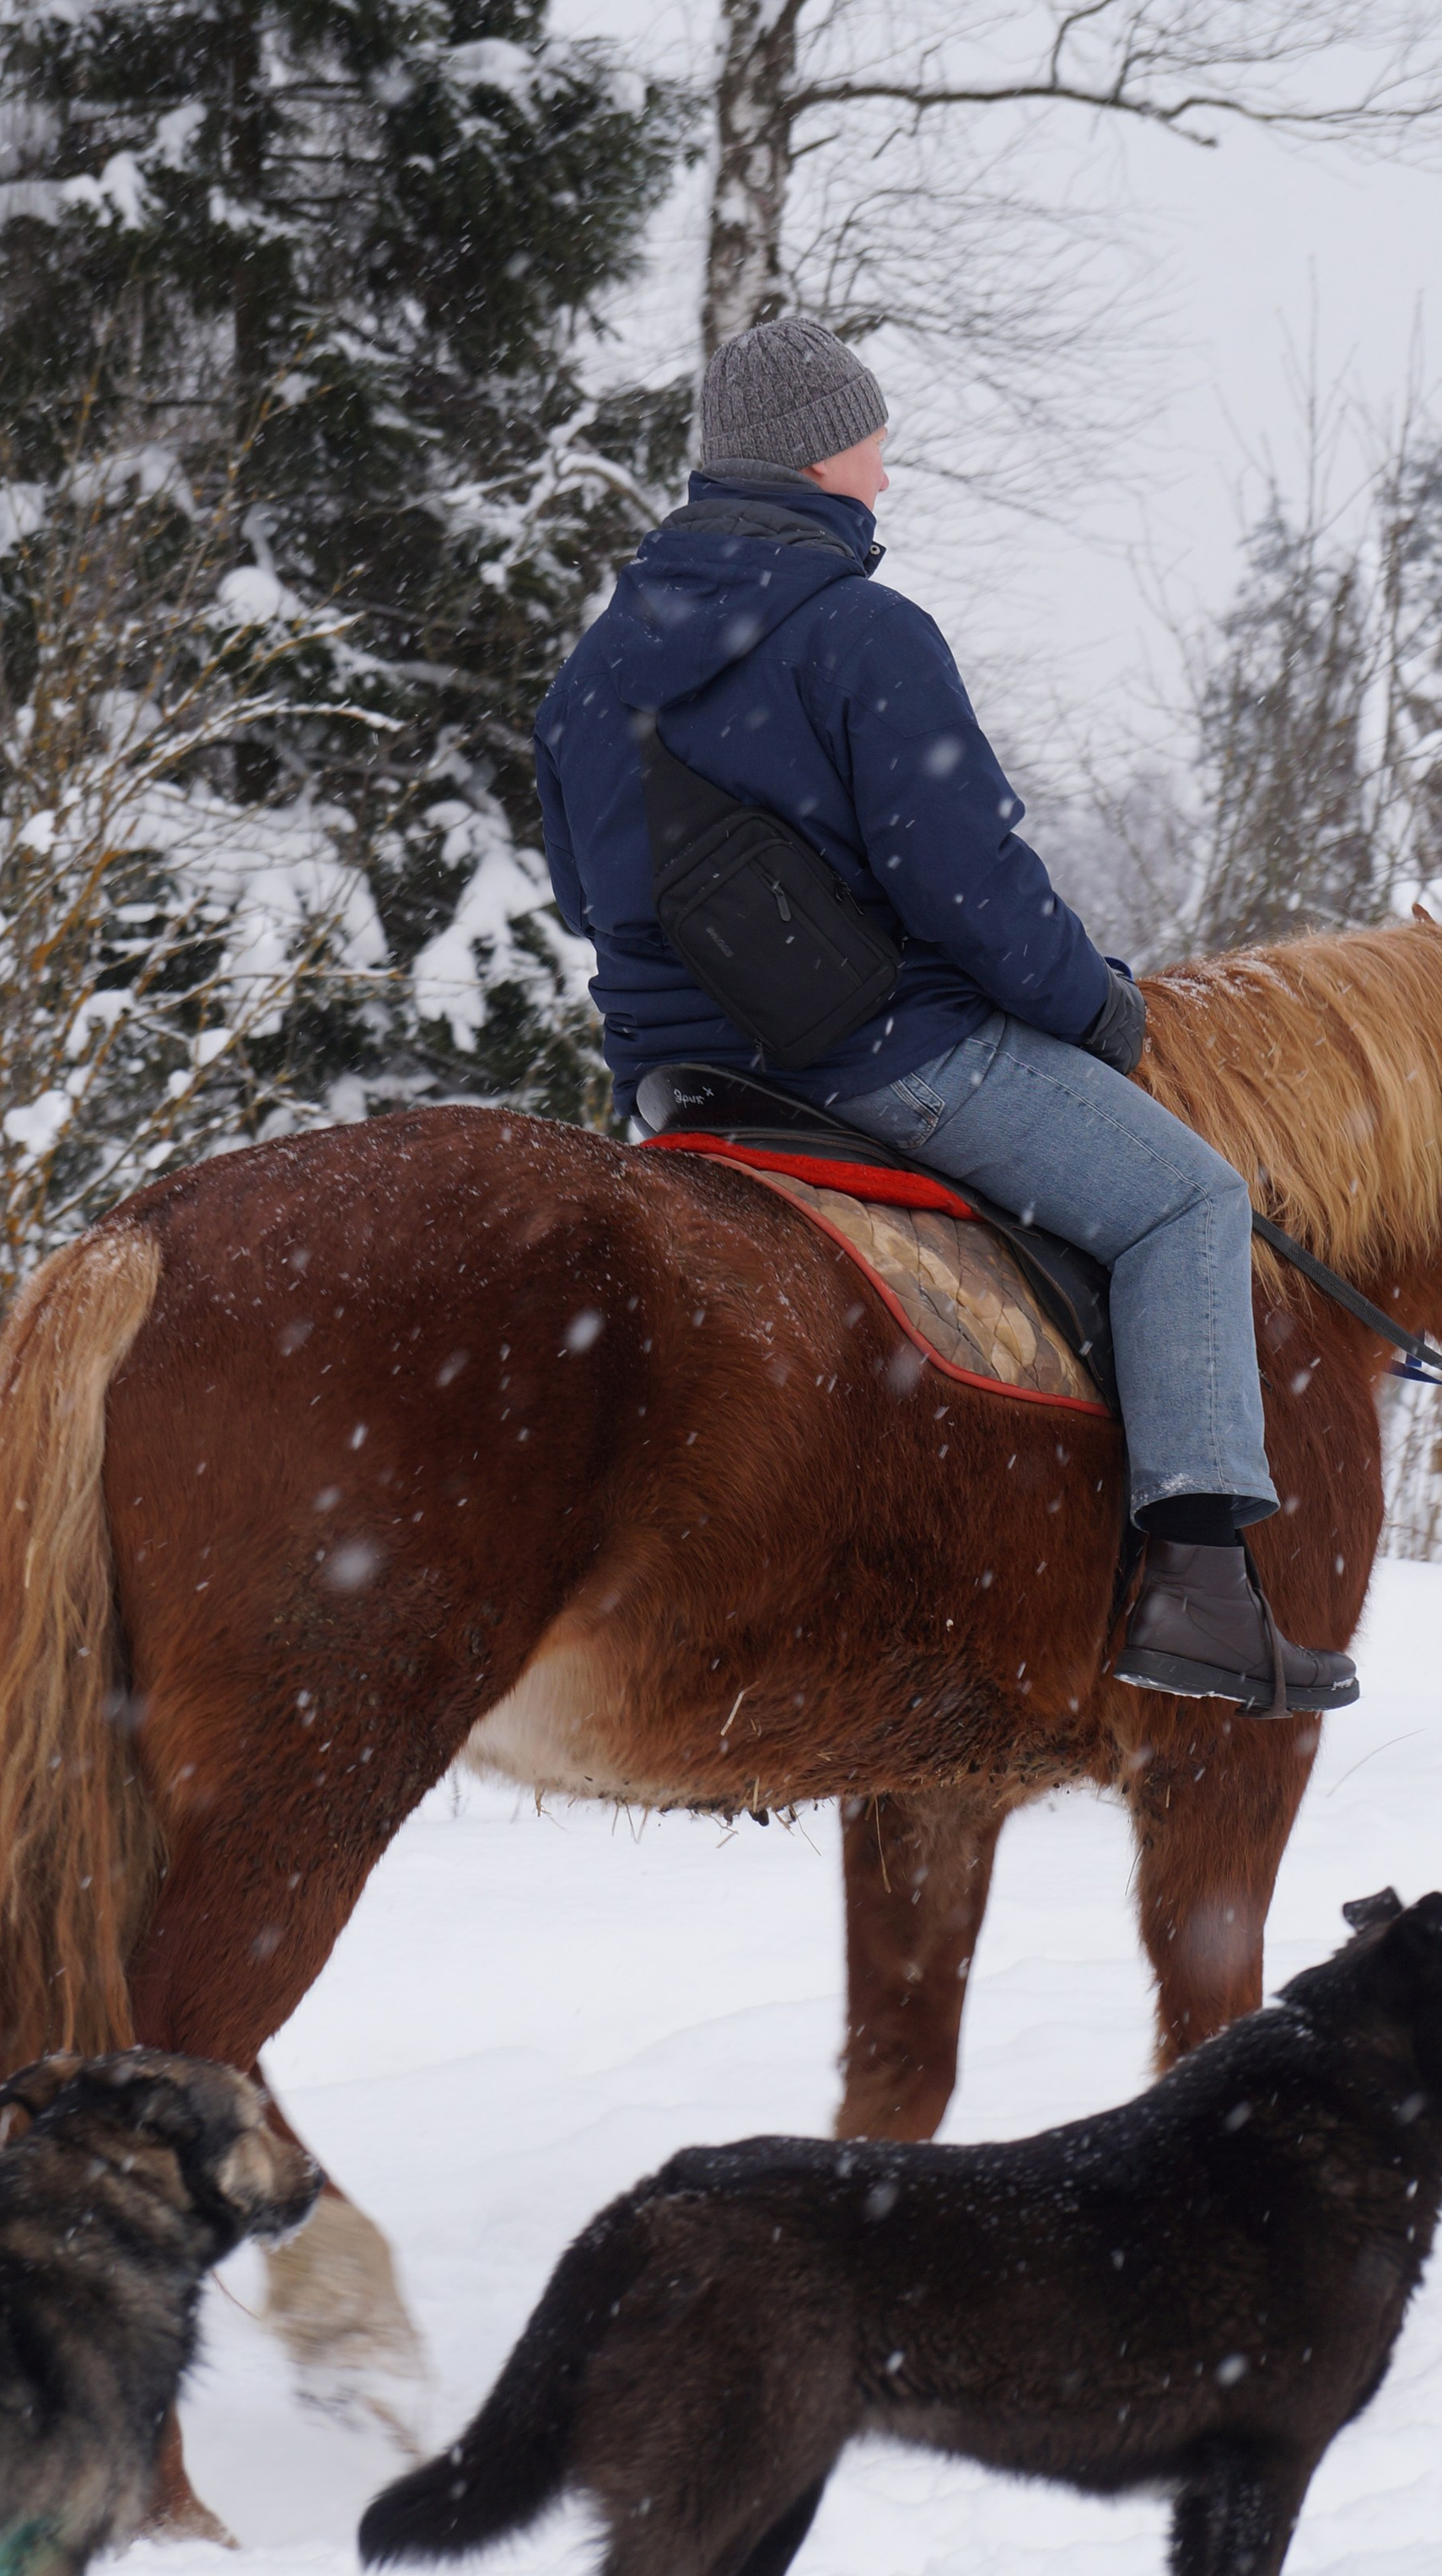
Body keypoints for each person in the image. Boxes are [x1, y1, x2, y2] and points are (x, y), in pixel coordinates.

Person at [535, 317, 1357, 1714]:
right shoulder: (863, 630)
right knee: (1187, 1203)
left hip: (683, 1086)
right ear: (814, 452)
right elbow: (965, 879)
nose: (886, 478)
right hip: (877, 1059)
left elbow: (578, 895)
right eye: (873, 445)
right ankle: (1202, 1591)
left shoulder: (595, 669)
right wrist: (1086, 1005)